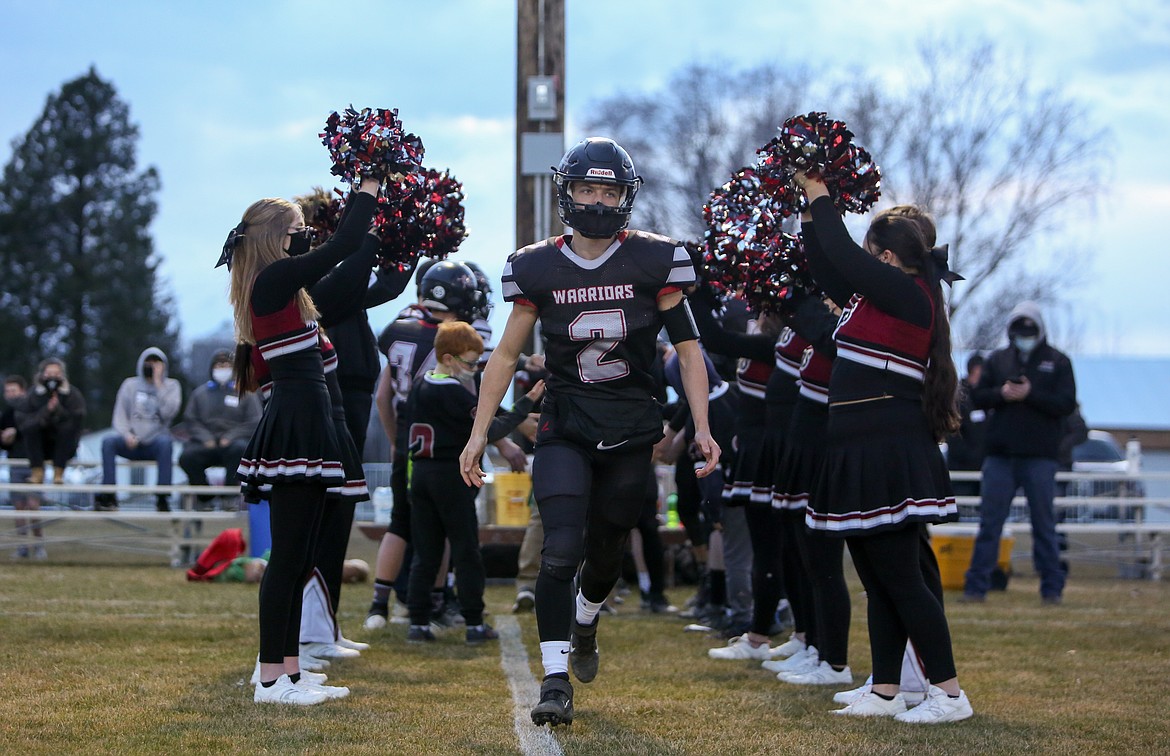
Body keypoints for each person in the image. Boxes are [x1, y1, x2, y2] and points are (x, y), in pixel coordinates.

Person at [458, 137, 720, 727]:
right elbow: (503, 356)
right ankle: (554, 680)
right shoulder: (536, 265)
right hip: (566, 424)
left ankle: (586, 617)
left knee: (606, 556)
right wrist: (479, 434)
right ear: (566, 193)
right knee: (560, 548)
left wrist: (702, 425)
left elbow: (689, 347)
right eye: (586, 188)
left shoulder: (656, 259)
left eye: (608, 190)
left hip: (632, 426)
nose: (597, 200)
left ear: (625, 197)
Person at [797, 171, 973, 723]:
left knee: (900, 578)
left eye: (874, 256)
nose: (865, 266)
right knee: (877, 579)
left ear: (890, 259)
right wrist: (807, 211)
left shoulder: (909, 293)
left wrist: (820, 189)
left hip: (888, 447)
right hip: (860, 448)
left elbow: (843, 257)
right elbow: (829, 263)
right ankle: (887, 688)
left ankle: (949, 695)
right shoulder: (878, 299)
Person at [222, 172, 382, 706]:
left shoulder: (288, 292)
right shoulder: (270, 283)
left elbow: (347, 259)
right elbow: (344, 245)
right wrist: (371, 183)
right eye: (296, 230)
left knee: (301, 552)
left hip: (311, 421)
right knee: (289, 556)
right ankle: (271, 677)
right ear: (274, 237)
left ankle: (288, 671)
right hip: (295, 421)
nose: (306, 236)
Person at [404, 321, 543, 644]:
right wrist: (525, 405)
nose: (474, 369)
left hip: (421, 474)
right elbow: (490, 430)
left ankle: (418, 621)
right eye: (470, 362)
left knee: (426, 553)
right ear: (449, 358)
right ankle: (473, 622)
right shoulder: (451, 390)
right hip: (450, 476)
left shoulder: (420, 384)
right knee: (466, 550)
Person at [962, 303, 1076, 605]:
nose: (1023, 336)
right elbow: (976, 396)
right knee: (990, 523)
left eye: (1029, 330)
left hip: (1040, 456)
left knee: (1044, 524)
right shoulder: (998, 360)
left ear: (1039, 330)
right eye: (1018, 330)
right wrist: (1001, 394)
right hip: (1000, 455)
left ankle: (1052, 590)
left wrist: (1031, 395)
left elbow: (1066, 403)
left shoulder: (1058, 361)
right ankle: (976, 588)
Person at [97, 348, 181, 512]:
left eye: (156, 362)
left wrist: (159, 384)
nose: (151, 366)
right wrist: (127, 434)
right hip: (131, 442)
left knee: (166, 444)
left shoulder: (172, 386)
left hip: (155, 442)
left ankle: (162, 496)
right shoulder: (130, 385)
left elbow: (169, 413)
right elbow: (119, 416)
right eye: (148, 362)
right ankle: (109, 494)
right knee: (108, 442)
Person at [179, 350, 261, 511]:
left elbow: (255, 420)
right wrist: (205, 437)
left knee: (240, 450)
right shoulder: (200, 394)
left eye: (226, 365)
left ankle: (229, 498)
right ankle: (205, 498)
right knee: (187, 457)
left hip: (233, 444)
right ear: (212, 368)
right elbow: (190, 420)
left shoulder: (246, 393)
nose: (222, 368)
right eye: (219, 365)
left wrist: (231, 436)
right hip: (206, 443)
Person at [17, 358, 87, 486]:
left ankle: (59, 473)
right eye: (49, 373)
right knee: (32, 429)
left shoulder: (73, 394)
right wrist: (46, 411)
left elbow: (76, 419)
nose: (52, 377)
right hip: (38, 446)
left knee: (66, 430)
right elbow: (24, 420)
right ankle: (37, 472)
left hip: (64, 446)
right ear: (42, 374)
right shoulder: (32, 394)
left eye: (56, 373)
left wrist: (58, 409)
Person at [3, 375, 46, 559]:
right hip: (15, 463)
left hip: (34, 463)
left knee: (33, 506)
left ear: (23, 390)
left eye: (13, 390)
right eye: (7, 391)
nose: (10, 394)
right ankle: (22, 547)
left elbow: (37, 428)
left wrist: (16, 431)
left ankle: (39, 545)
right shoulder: (7, 413)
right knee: (19, 507)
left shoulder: (33, 408)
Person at [946, 354, 988, 499]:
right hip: (962, 471)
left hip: (983, 470)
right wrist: (972, 456)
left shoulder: (986, 399)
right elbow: (953, 433)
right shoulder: (958, 399)